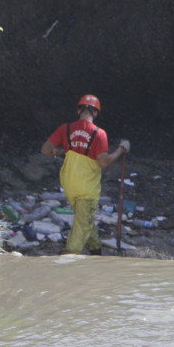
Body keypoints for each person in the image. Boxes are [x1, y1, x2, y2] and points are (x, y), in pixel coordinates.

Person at [41, 94, 130, 255]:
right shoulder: (99, 133)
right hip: (86, 188)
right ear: (96, 113)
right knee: (81, 225)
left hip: (69, 185)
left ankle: (96, 252)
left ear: (78, 110)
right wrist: (121, 149)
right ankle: (68, 258)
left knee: (85, 219)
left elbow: (46, 150)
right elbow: (103, 162)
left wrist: (62, 153)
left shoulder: (65, 129)